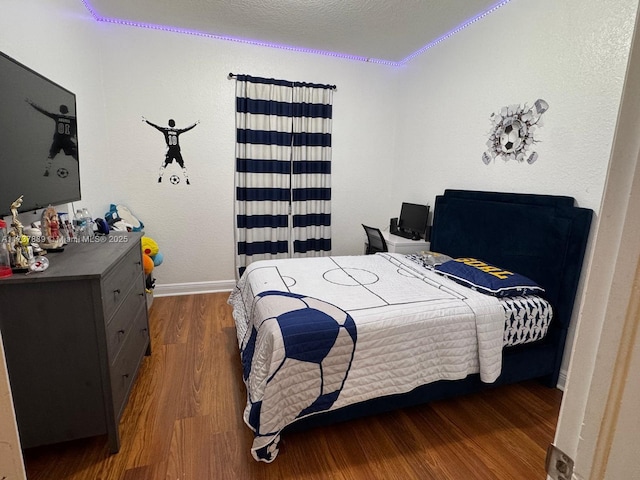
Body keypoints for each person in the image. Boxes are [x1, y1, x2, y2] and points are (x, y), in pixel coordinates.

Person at [26, 99, 77, 176]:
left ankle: (47, 169)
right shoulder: (73, 118)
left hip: (58, 139)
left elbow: (44, 111)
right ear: (67, 111)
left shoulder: (57, 116)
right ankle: (83, 165)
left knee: (51, 155)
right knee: (75, 154)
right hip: (67, 140)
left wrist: (32, 103)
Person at [142, 116, 199, 184]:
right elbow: (186, 129)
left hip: (170, 150)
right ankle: (187, 179)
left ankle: (160, 178)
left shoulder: (165, 130)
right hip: (177, 151)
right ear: (174, 124)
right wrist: (195, 123)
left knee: (164, 165)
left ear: (168, 124)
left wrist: (146, 121)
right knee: (182, 165)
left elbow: (155, 126)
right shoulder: (177, 131)